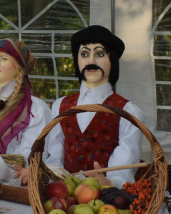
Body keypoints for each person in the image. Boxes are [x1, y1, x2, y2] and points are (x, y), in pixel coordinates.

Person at [40, 25, 146, 188]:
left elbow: (122, 174)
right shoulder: (60, 106)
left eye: (100, 54)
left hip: (106, 204)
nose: (91, 61)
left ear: (113, 60)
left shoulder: (129, 113)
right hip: (63, 199)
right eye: (84, 54)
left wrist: (109, 182)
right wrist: (41, 173)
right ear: (77, 60)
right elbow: (55, 160)